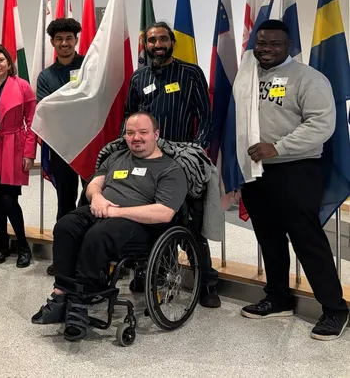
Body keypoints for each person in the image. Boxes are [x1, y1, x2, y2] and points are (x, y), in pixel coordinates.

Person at [31, 112, 187, 342]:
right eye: (130, 133)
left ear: (156, 134)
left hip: (141, 225)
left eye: (143, 132)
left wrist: (117, 212)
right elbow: (94, 184)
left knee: (98, 235)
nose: (136, 138)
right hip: (104, 211)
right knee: (66, 226)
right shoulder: (116, 157)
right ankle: (61, 293)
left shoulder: (170, 169)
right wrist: (97, 198)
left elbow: (164, 212)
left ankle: (80, 302)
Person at [237, 19, 348, 341]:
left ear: (289, 47)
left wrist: (279, 147)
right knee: (268, 237)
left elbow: (321, 125)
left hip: (296, 169)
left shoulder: (309, 79)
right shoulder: (248, 77)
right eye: (261, 43)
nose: (266, 49)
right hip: (257, 171)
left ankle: (334, 309)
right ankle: (278, 297)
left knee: (307, 241)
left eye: (274, 44)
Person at [124, 21, 220, 308]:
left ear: (172, 43)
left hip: (183, 162)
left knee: (191, 224)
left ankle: (206, 285)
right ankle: (150, 273)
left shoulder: (191, 74)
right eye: (152, 40)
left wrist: (194, 152)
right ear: (146, 45)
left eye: (163, 39)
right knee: (150, 220)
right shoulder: (139, 78)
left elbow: (205, 118)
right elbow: (130, 118)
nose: (157, 45)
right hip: (148, 164)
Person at [0, 45, 36, 268]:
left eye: (1, 60)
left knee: (10, 200)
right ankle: (3, 244)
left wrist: (30, 152)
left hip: (13, 145)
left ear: (9, 63)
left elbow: (32, 122)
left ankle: (23, 245)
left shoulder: (23, 86)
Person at [35, 18, 87, 275]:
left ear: (76, 39)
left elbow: (95, 101)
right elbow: (47, 109)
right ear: (53, 42)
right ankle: (63, 258)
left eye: (69, 38)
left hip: (90, 145)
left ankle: (93, 258)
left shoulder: (90, 67)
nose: (64, 43)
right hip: (61, 148)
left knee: (92, 201)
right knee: (65, 203)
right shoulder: (46, 76)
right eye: (59, 39)